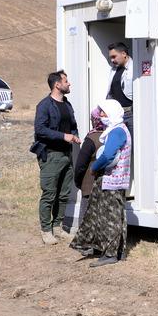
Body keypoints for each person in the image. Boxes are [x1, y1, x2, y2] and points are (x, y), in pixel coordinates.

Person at [72, 99, 131, 268]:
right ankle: (115, 252)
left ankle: (110, 254)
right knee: (115, 217)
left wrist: (94, 168)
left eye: (104, 113)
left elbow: (108, 155)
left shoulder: (117, 132)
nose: (102, 116)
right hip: (117, 180)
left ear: (112, 113)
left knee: (109, 219)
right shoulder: (121, 130)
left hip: (112, 181)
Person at [31, 70, 79, 245]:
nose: (69, 84)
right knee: (49, 194)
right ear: (57, 84)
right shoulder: (44, 105)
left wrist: (74, 135)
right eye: (66, 81)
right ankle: (46, 230)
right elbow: (40, 130)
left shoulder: (67, 105)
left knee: (64, 193)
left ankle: (58, 227)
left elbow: (72, 125)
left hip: (67, 154)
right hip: (51, 155)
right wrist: (63, 136)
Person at [70, 107, 104, 253]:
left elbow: (81, 164)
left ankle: (84, 244)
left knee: (86, 214)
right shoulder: (111, 135)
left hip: (89, 183)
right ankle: (98, 244)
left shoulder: (91, 138)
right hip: (104, 183)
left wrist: (78, 181)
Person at [106, 42, 134, 138]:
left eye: (114, 56)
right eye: (111, 57)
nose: (112, 60)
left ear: (124, 54)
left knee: (133, 145)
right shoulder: (113, 69)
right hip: (116, 115)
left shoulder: (134, 68)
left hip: (130, 113)